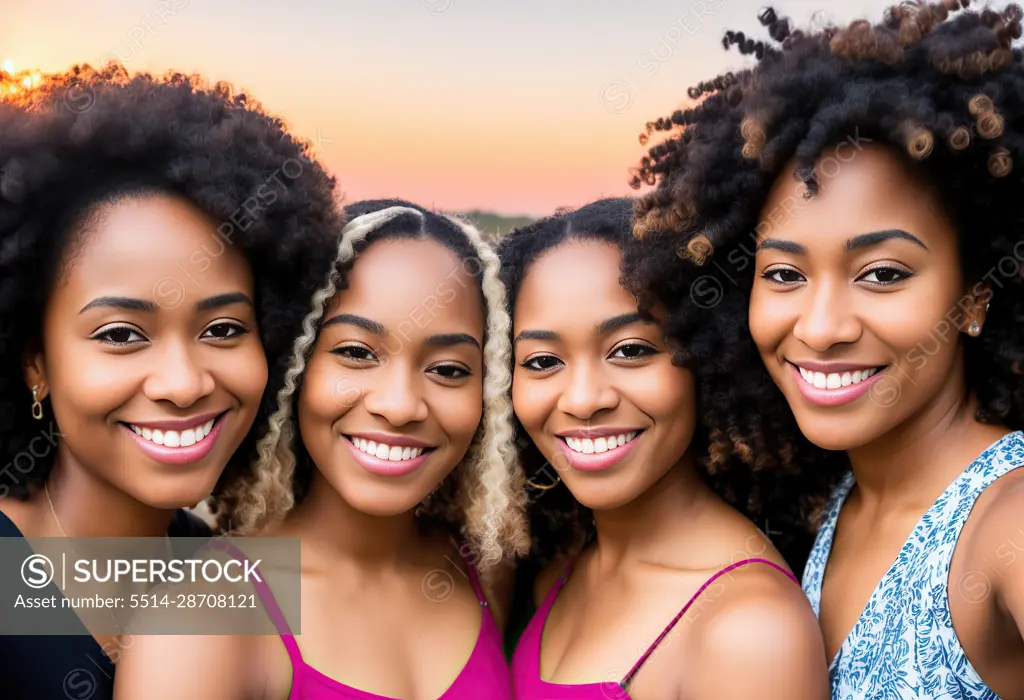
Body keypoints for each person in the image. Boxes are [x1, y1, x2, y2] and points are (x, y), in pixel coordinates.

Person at [629, 3, 1024, 697]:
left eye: (882, 274)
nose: (820, 327)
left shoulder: (1008, 520)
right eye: (784, 274)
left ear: (973, 298)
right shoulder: (829, 499)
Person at [0, 62, 342, 700]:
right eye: (122, 334)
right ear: (34, 362)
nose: (183, 384)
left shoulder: (230, 577)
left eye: (222, 330)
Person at [114, 200, 529, 700]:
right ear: (296, 365)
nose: (399, 406)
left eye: (448, 369)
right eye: (356, 353)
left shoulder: (484, 571)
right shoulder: (205, 616)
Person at [500, 198, 829, 700]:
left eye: (631, 350)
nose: (585, 400)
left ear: (707, 359)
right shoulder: (558, 569)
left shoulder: (749, 632)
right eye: (543, 361)